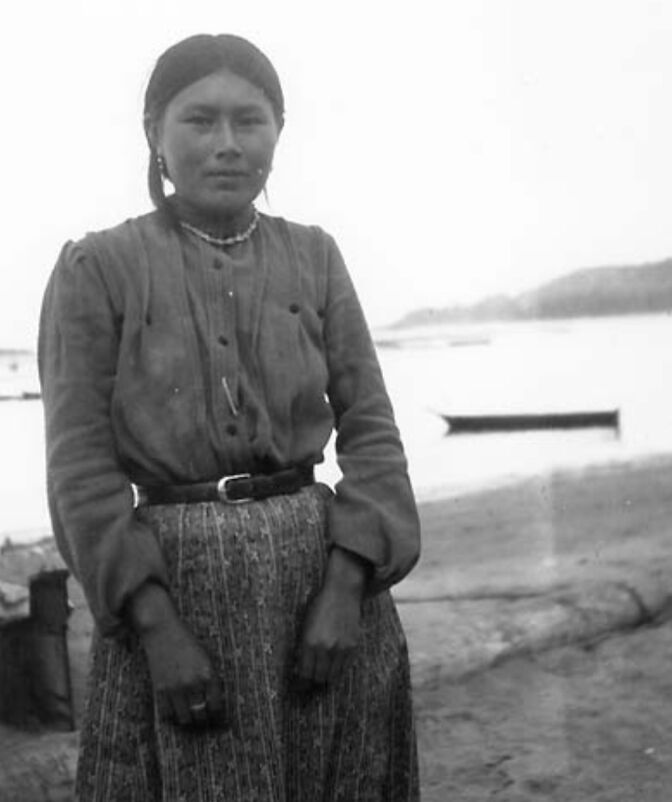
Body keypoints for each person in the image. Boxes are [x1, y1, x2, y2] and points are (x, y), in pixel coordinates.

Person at [38, 33, 421, 801]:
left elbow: (372, 431)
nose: (226, 145)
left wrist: (346, 588)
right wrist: (157, 629)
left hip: (324, 587)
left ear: (280, 130)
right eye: (199, 121)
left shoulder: (315, 256)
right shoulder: (99, 268)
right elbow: (80, 465)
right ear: (154, 130)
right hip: (176, 592)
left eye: (250, 121)